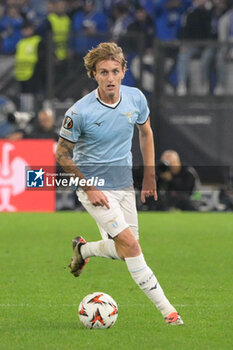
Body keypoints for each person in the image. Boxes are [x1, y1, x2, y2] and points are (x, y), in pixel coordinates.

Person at [56, 42, 184, 325]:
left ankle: (83, 250)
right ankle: (169, 313)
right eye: (103, 72)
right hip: (94, 186)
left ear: (124, 71)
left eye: (115, 71)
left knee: (126, 250)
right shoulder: (79, 112)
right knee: (132, 247)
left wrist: (149, 174)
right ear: (94, 75)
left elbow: (146, 133)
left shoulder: (136, 98)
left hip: (123, 183)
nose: (110, 78)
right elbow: (61, 153)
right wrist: (88, 187)